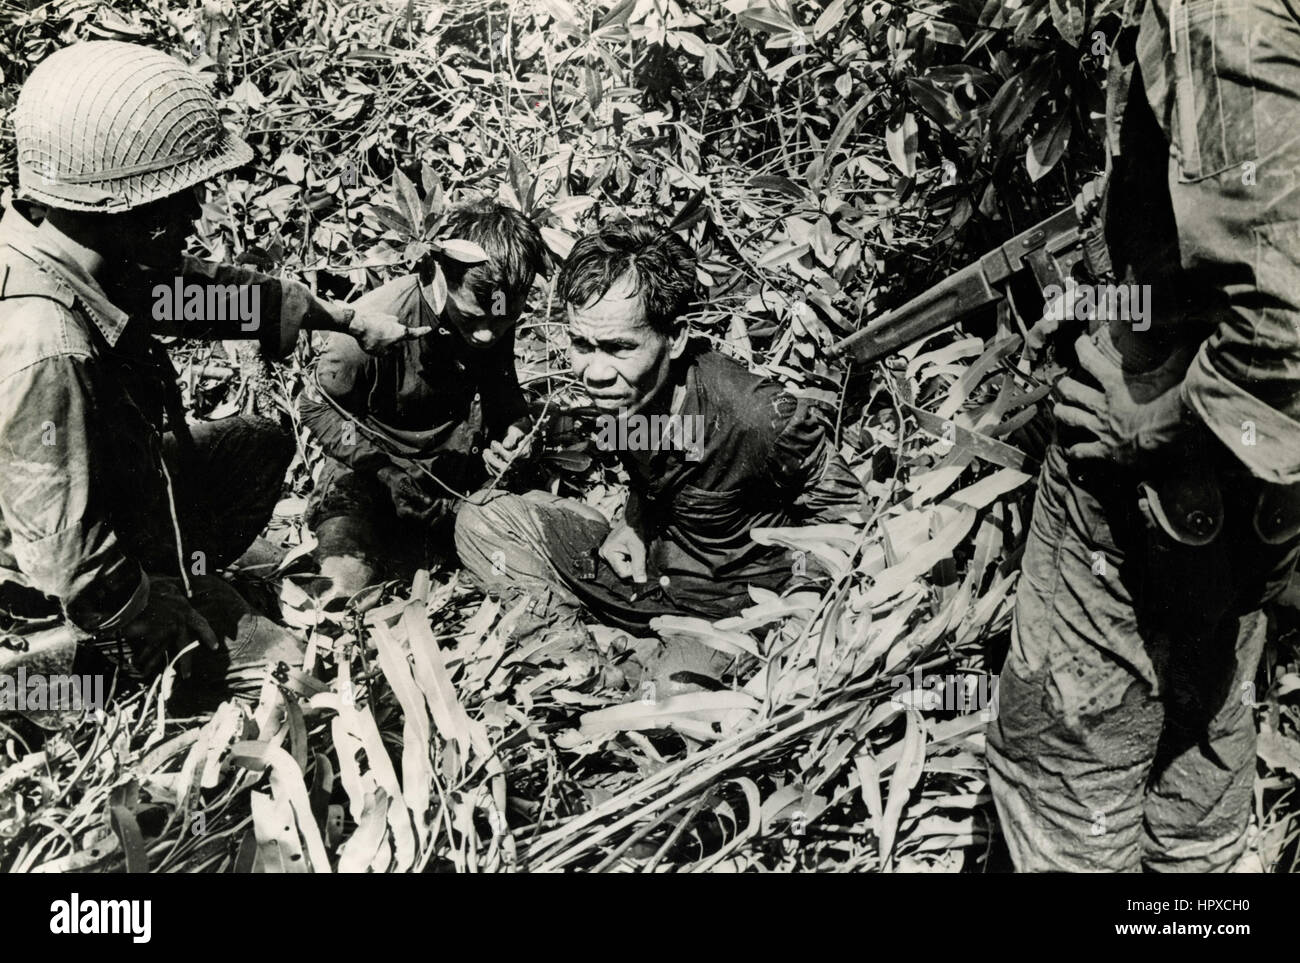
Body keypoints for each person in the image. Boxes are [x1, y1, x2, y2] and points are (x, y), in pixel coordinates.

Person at [0, 41, 416, 706]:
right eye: (180, 196)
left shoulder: (74, 248)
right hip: (50, 588)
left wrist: (341, 318)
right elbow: (64, 558)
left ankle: (182, 581)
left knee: (258, 444)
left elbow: (201, 294)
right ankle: (73, 683)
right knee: (297, 680)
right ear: (118, 202)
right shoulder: (44, 342)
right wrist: (150, 612)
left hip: (102, 501)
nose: (195, 214)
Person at [986, 0, 1300, 871]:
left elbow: (1282, 337)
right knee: (1200, 761)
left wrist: (1146, 430)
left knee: (1065, 794)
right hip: (1248, 500)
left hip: (1158, 488)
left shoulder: (1226, 10)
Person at [454, 222, 863, 681]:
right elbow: (653, 468)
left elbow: (847, 523)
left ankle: (625, 667)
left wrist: (795, 618)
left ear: (677, 337)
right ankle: (582, 659)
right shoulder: (628, 389)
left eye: (617, 347)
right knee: (482, 520)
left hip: (725, 610)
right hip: (644, 580)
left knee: (671, 703)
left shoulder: (757, 414)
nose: (595, 371)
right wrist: (634, 519)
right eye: (581, 344)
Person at [298, 199, 546, 593]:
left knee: (522, 570)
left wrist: (516, 429)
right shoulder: (374, 328)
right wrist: (383, 470)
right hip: (369, 477)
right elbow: (314, 406)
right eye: (471, 318)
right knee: (339, 588)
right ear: (439, 277)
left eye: (503, 320)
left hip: (450, 485)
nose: (487, 335)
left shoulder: (492, 312)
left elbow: (502, 388)